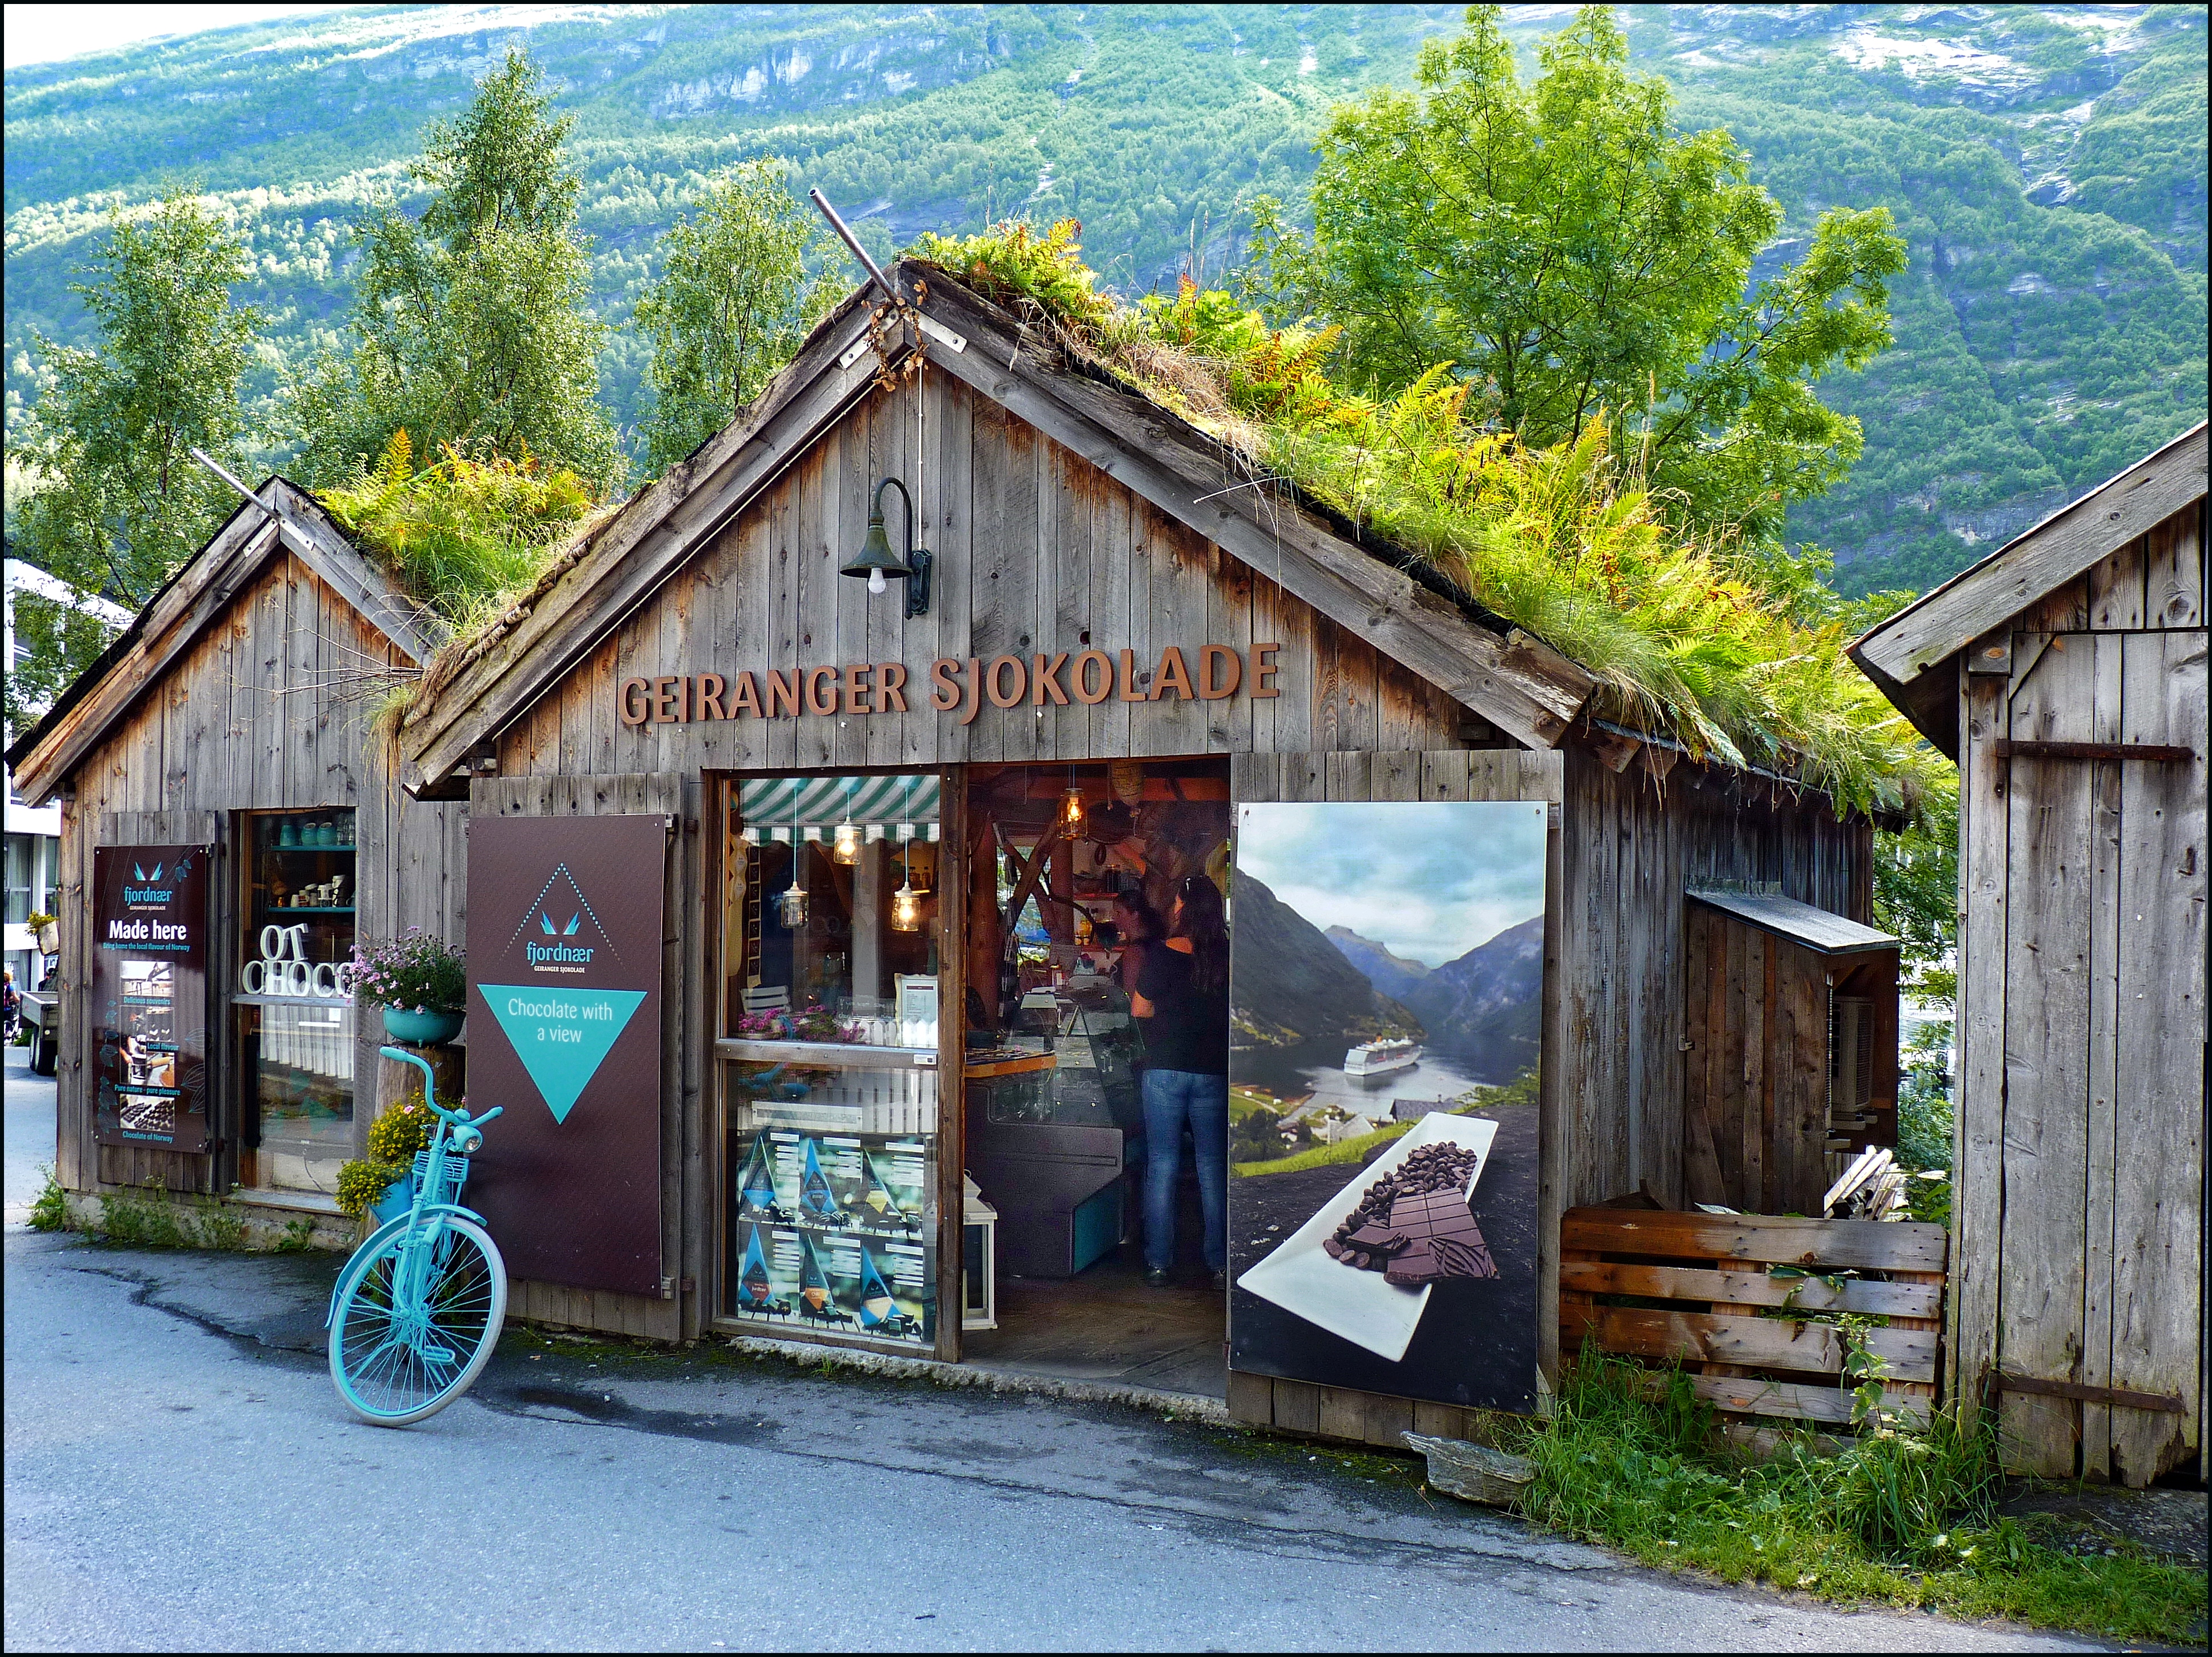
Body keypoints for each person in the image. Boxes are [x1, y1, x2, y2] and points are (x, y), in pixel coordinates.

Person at [1129, 872, 1230, 1288]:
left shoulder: (1164, 953)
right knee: (1212, 1166)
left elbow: (1139, 1009)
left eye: (1174, 902)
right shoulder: (1228, 953)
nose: (1171, 908)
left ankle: (1158, 1263)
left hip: (1165, 1069)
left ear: (1183, 907)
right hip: (1214, 1072)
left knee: (1163, 1165)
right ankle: (1220, 1264)